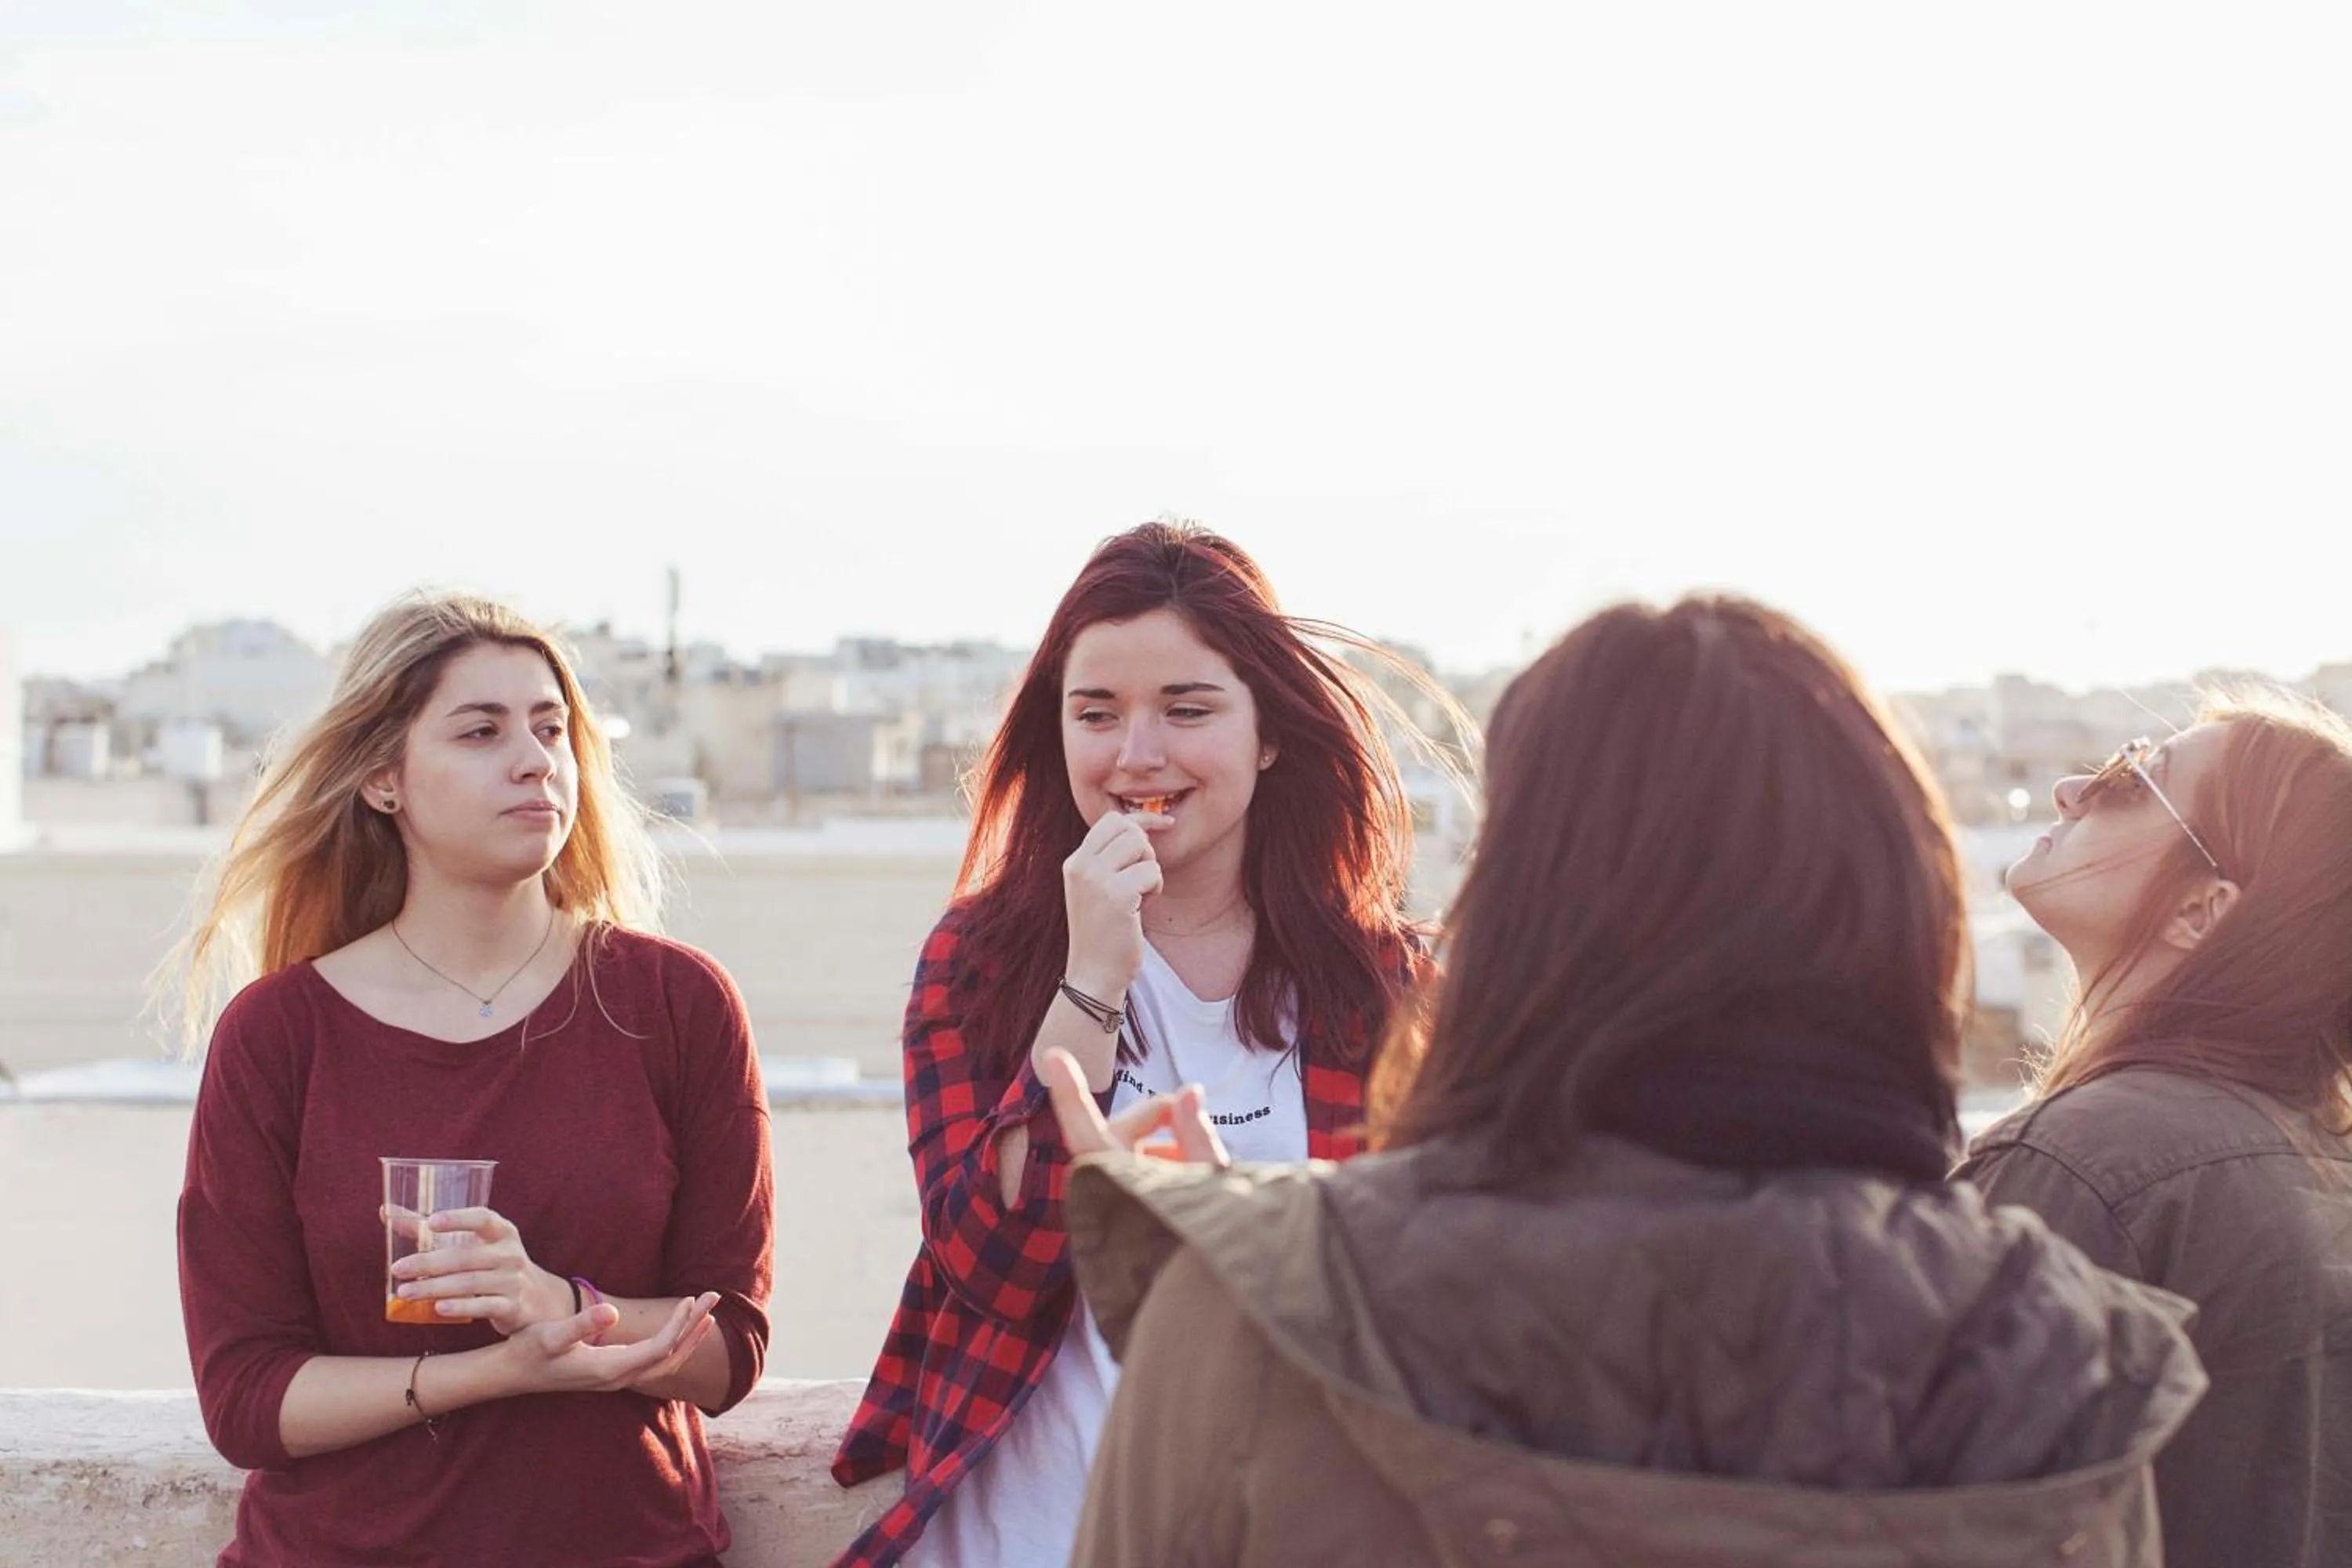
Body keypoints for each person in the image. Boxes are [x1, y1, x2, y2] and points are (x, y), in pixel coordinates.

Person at [1052, 595, 2208, 1568]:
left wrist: (1261, 1265)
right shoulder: (2059, 1359)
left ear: (1516, 909)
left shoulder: (1261, 1306)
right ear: (1901, 914)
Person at [828, 521, 1449, 1566]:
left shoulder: (1381, 984)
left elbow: (1421, 1308)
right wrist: (1092, 982)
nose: (1137, 755)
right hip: (1025, 1541)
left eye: (1188, 709)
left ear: (1269, 732)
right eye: (1097, 714)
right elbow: (988, 1265)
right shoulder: (979, 961)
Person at [172, 591, 775, 1567]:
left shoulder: (676, 1005)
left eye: (550, 728)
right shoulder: (279, 1034)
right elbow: (247, 1399)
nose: (535, 760)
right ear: (383, 779)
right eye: (481, 731)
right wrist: (497, 1369)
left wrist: (559, 1301)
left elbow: (728, 1352)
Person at [1955, 691, 2352, 1568]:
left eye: (2129, 778)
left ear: (2203, 910)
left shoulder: (2088, 1164)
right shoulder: (2317, 1161)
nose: (2069, 790)